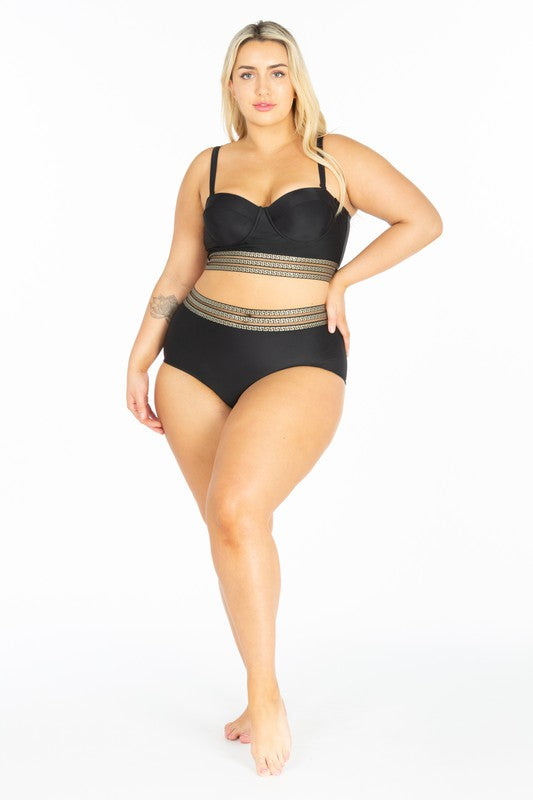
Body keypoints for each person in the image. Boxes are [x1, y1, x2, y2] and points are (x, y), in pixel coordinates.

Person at [126, 19, 442, 778]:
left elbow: (423, 220)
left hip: (297, 355)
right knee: (227, 527)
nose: (262, 87)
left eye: (275, 71)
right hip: (194, 358)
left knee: (238, 508)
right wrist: (140, 356)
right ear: (229, 85)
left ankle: (265, 696)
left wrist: (343, 279)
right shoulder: (206, 166)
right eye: (246, 73)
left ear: (296, 79)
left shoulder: (336, 157)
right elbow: (179, 267)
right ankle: (256, 690)